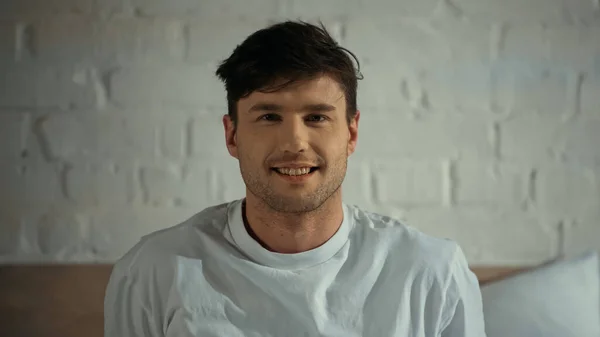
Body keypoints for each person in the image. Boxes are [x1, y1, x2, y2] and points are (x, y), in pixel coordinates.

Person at [104, 20, 487, 337]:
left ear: (351, 133)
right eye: (269, 117)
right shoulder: (152, 272)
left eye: (317, 117)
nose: (294, 142)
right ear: (232, 135)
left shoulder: (430, 272)